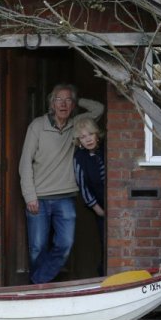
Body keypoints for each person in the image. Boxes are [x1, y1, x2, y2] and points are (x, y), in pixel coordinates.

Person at [19, 84, 104, 284]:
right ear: (51, 103)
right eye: (59, 100)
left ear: (73, 105)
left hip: (65, 198)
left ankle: (38, 284)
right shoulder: (37, 126)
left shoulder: (76, 125)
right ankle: (40, 290)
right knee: (37, 247)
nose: (63, 104)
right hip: (38, 198)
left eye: (68, 100)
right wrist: (29, 196)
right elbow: (25, 163)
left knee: (65, 244)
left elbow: (98, 109)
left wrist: (78, 99)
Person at [73, 117, 106, 275]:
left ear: (97, 134)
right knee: (104, 241)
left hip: (114, 202)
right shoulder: (80, 158)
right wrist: (98, 209)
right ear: (79, 141)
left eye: (90, 134)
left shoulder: (107, 149)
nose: (88, 139)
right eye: (83, 137)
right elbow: (83, 186)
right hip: (99, 206)